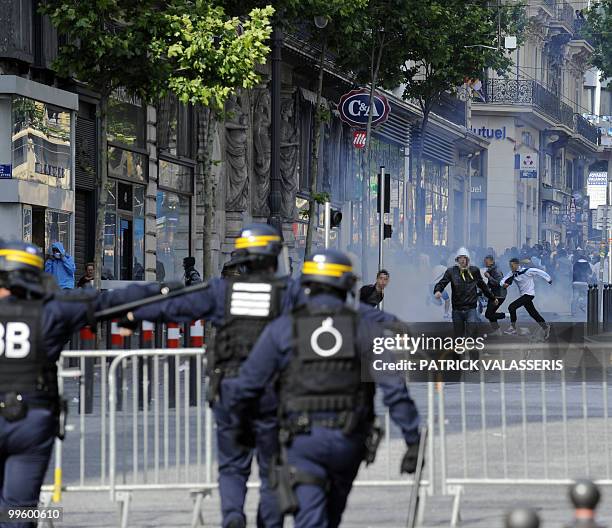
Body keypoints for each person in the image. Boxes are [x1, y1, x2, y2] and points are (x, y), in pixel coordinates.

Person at [118, 224, 298, 528]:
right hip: (274, 394)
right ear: (273, 257)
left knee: (231, 465)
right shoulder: (289, 294)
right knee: (272, 467)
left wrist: (135, 316)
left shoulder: (221, 291)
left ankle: (231, 517)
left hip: (230, 390)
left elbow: (177, 306)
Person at [225, 249, 421, 528]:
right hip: (349, 440)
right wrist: (412, 438)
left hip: (301, 441)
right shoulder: (364, 328)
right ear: (347, 284)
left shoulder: (283, 328)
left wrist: (243, 429)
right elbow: (394, 388)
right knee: (331, 515)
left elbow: (247, 386)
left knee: (311, 517)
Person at [0, 240, 161, 528]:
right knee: (19, 510)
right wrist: (160, 290)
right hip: (31, 419)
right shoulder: (50, 310)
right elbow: (105, 302)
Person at [433, 247, 497, 339]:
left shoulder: (474, 271)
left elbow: (483, 286)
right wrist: (438, 291)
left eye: (464, 258)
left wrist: (492, 298)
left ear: (468, 259)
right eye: (460, 258)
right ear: (457, 259)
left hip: (470, 309)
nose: (462, 260)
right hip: (457, 310)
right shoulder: (451, 271)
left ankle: (473, 353)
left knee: (471, 336)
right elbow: (442, 283)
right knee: (458, 337)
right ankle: (459, 353)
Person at [501, 258, 552, 337]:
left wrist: (548, 279)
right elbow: (504, 279)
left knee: (511, 307)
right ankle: (545, 327)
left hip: (529, 295)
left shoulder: (528, 271)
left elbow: (539, 272)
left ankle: (513, 328)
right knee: (533, 313)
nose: (511, 267)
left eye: (512, 265)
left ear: (517, 264)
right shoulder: (511, 273)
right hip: (524, 295)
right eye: (510, 266)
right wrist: (503, 284)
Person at [483, 255, 507, 334]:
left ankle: (506, 315)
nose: (485, 263)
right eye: (485, 262)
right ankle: (497, 330)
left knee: (488, 314)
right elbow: (490, 284)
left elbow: (499, 283)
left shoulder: (496, 270)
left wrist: (489, 277)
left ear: (492, 262)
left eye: (487, 262)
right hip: (495, 294)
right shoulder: (491, 269)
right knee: (490, 313)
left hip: (499, 295)